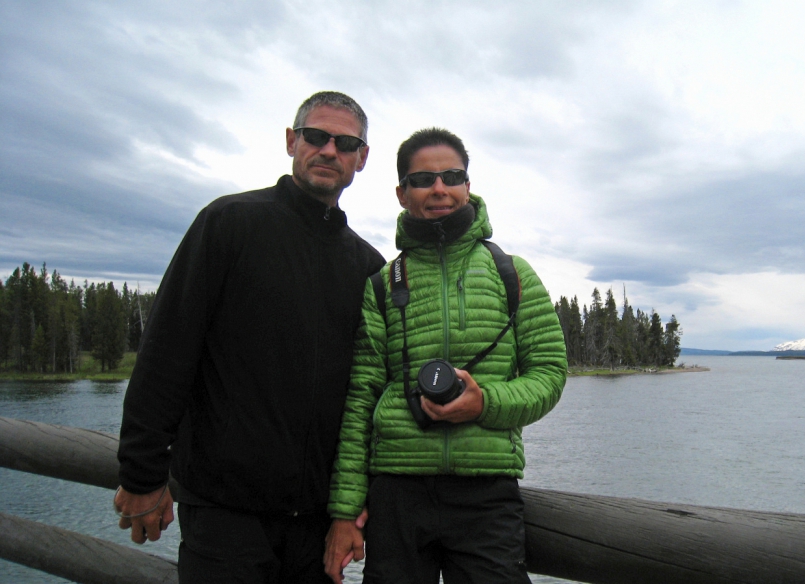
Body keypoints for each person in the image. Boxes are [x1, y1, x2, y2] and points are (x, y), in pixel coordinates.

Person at [114, 91, 385, 583]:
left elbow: (367, 396)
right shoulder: (229, 223)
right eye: (316, 136)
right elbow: (167, 349)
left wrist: (351, 507)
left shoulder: (367, 267)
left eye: (345, 143)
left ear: (361, 158)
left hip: (317, 527)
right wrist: (141, 472)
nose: (329, 151)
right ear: (291, 141)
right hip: (224, 517)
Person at [323, 128, 568, 584]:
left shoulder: (512, 273)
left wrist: (485, 403)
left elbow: (551, 373)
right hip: (396, 492)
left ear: (468, 186)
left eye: (452, 176)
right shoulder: (381, 284)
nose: (439, 188)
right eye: (423, 179)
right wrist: (343, 511)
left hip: (486, 494)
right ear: (402, 193)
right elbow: (360, 400)